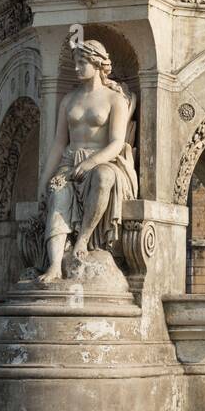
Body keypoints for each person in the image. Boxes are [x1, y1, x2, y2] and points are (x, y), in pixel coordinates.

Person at [37, 40, 137, 283]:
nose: (77, 68)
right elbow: (59, 144)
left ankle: (83, 238)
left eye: (82, 63)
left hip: (105, 161)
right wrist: (43, 181)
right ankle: (54, 265)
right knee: (58, 193)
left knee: (104, 177)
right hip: (69, 162)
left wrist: (90, 163)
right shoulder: (68, 100)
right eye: (75, 63)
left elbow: (116, 142)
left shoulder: (115, 99)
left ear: (97, 64)